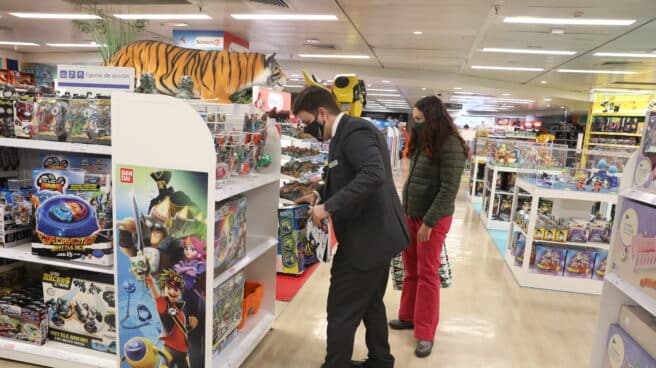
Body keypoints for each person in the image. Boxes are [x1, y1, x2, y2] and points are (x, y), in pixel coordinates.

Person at [294, 86, 409, 368]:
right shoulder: (339, 136)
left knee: (341, 309)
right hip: (375, 237)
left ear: (322, 113)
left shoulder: (356, 131)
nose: (307, 130)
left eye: (308, 123)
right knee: (370, 302)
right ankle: (381, 360)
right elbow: (345, 176)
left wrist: (328, 207)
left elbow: (372, 174)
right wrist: (321, 194)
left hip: (367, 240)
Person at [389, 96, 468, 358]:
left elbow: (448, 191)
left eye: (420, 119)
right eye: (414, 119)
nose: (416, 123)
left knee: (427, 275)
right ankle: (408, 317)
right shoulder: (425, 142)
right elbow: (413, 180)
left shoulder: (452, 146)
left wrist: (430, 222)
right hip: (413, 214)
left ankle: (425, 333)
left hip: (432, 220)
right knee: (411, 268)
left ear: (433, 119)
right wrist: (404, 210)